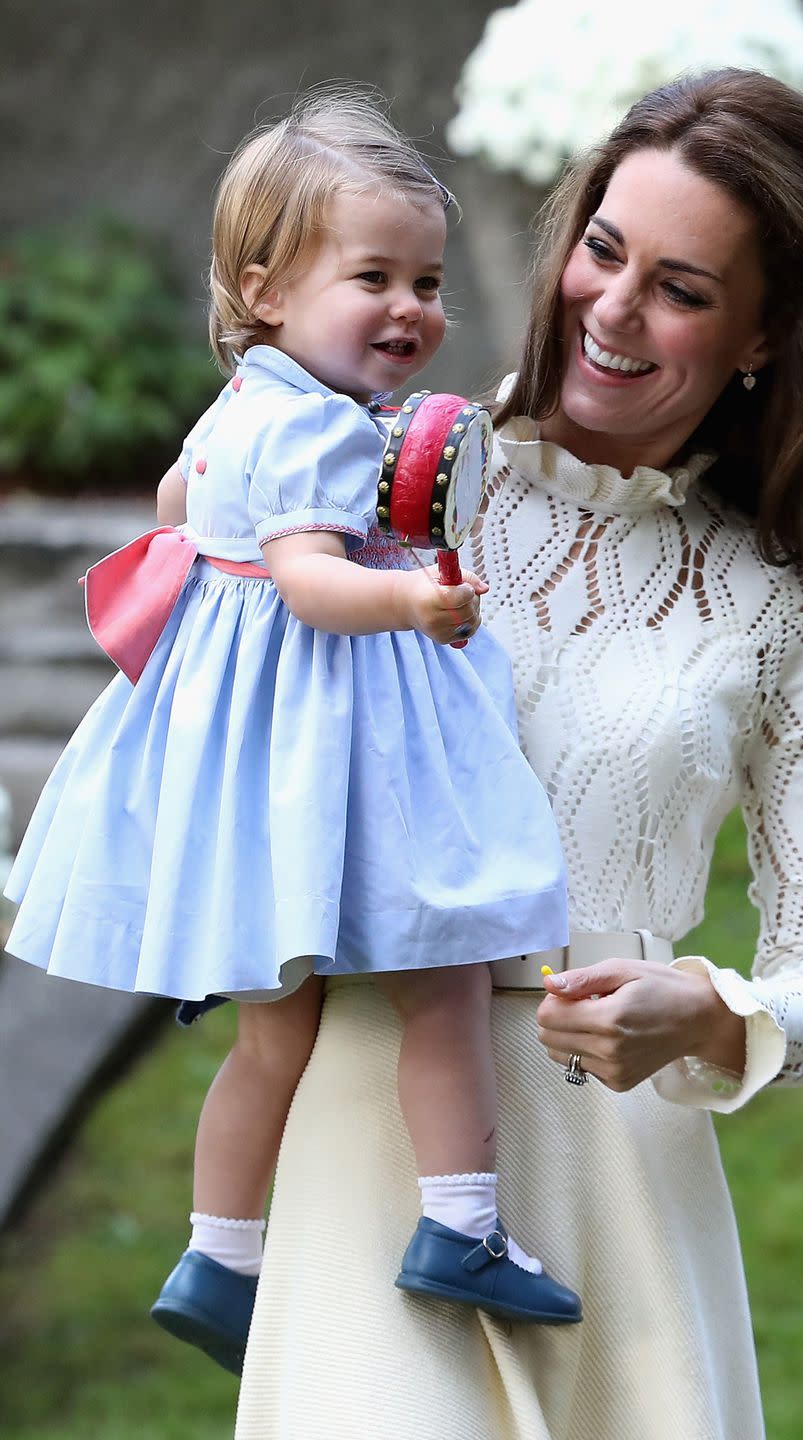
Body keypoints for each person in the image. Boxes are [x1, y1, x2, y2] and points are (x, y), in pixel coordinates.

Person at [234, 68, 803, 1440]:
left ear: (767, 337)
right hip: (367, 1144)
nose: (613, 308)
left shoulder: (791, 610)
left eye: (683, 289)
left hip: (620, 1189)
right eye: (603, 249)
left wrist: (709, 1012)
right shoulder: (365, 478)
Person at [2, 90, 582, 1377]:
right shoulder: (324, 427)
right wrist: (414, 597)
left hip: (253, 765)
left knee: (278, 1031)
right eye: (371, 275)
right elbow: (316, 583)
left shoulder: (237, 410)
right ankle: (461, 1225)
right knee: (440, 974)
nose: (411, 308)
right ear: (263, 289)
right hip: (336, 732)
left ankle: (218, 1255)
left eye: (426, 280)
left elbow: (172, 515)